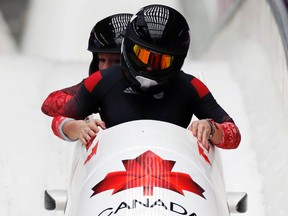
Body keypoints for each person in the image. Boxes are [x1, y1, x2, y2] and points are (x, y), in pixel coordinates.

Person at [59, 4, 241, 150]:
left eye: (160, 61)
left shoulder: (190, 86)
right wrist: (76, 128)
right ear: (129, 48)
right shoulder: (101, 81)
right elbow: (60, 120)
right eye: (142, 55)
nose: (148, 65)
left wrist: (210, 128)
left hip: (172, 173)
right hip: (111, 169)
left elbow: (233, 134)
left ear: (176, 61)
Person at [41, 13, 132, 140]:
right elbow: (49, 104)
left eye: (116, 62)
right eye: (102, 60)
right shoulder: (99, 84)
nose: (106, 68)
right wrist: (79, 123)